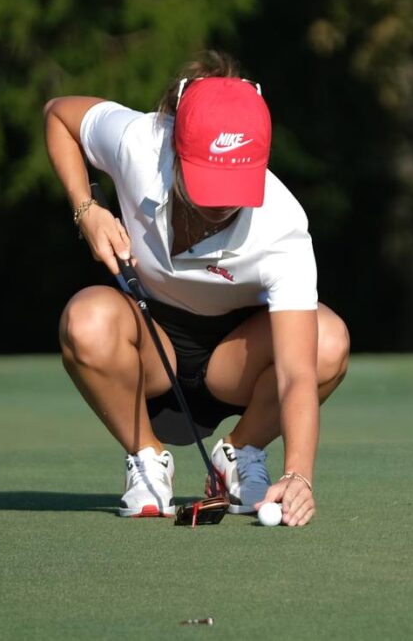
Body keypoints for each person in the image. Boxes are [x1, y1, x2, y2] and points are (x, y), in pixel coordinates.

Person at [44, 51, 349, 527]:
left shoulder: (283, 226)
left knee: (327, 341)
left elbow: (295, 374)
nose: (223, 201)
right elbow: (58, 114)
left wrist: (299, 475)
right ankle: (147, 459)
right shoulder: (140, 143)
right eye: (211, 178)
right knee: (87, 320)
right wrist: (88, 211)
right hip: (149, 344)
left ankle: (240, 453)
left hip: (235, 360)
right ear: (177, 151)